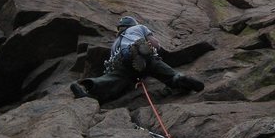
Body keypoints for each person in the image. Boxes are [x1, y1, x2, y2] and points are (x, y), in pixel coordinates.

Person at [70, 16, 204, 102]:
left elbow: (111, 66)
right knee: (160, 68)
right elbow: (155, 43)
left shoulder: (115, 42)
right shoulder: (139, 27)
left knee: (114, 78)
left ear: (120, 28)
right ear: (132, 24)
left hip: (123, 63)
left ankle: (88, 88)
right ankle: (179, 79)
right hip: (146, 58)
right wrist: (154, 49)